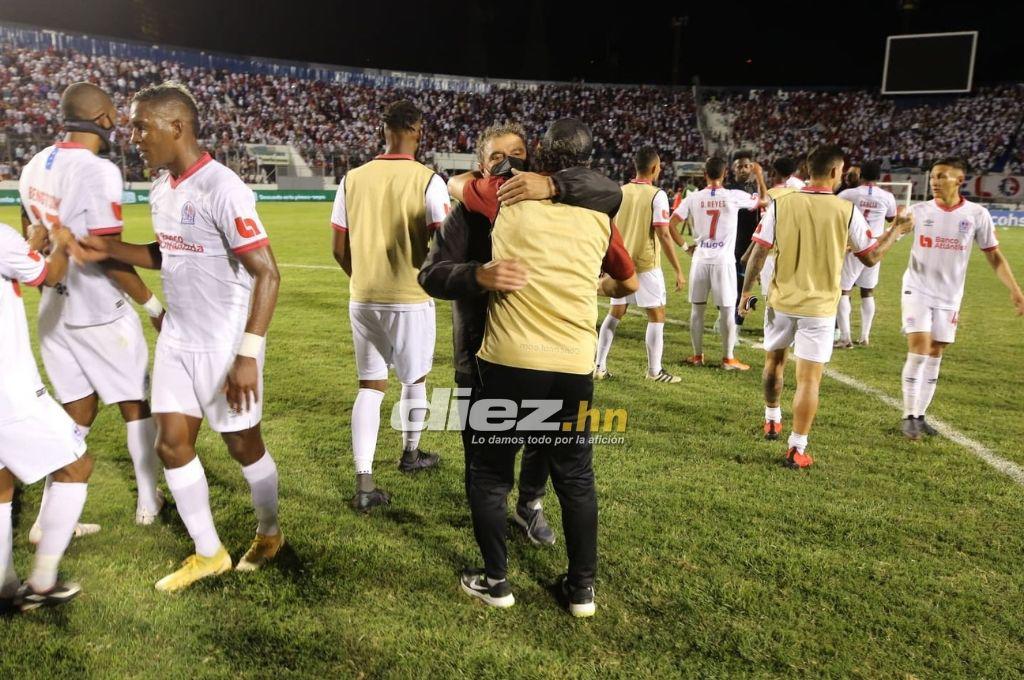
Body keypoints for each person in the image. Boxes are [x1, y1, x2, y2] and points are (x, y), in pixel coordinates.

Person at [72, 82, 283, 590]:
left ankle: (270, 531)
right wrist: (112, 251)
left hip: (224, 343)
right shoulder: (162, 187)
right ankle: (208, 552)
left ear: (176, 126)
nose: (134, 135)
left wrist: (248, 353)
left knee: (242, 445)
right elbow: (170, 251)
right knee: (171, 445)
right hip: (178, 339)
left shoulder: (223, 187)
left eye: (142, 125)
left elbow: (268, 273)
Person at [457, 119, 637, 617]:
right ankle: (581, 590)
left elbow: (456, 185)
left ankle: (497, 583)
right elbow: (629, 282)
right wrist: (593, 286)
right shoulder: (600, 217)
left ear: (539, 153)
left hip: (509, 359)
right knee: (575, 476)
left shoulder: (503, 196)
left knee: (491, 475)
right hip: (573, 364)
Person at [421, 121, 622, 546]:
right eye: (497, 156)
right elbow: (431, 275)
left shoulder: (570, 200)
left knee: (543, 445)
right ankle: (488, 535)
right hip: (477, 355)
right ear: (480, 164)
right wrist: (477, 275)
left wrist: (553, 187)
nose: (509, 162)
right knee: (483, 458)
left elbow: (610, 194)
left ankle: (529, 505)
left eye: (517, 152)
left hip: (539, 353)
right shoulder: (472, 208)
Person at [17, 82, 164, 538]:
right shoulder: (98, 171)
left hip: (52, 313)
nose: (119, 119)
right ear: (101, 117)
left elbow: (31, 238)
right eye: (115, 112)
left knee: (76, 411)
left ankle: (49, 519)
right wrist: (153, 304)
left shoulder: (34, 164)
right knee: (135, 405)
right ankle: (149, 501)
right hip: (98, 310)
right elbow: (107, 252)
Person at [740, 145, 912, 466]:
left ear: (808, 168)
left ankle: (772, 418)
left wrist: (744, 292)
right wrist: (897, 230)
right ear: (836, 172)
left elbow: (759, 251)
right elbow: (871, 256)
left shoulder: (781, 203)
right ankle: (797, 447)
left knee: (774, 361)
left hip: (781, 300)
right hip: (819, 308)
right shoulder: (845, 210)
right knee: (809, 379)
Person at [331, 100, 450, 512]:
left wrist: (362, 277)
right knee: (413, 380)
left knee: (370, 386)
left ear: (383, 129)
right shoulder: (429, 181)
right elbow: (444, 242)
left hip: (363, 297)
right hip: (410, 298)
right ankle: (411, 454)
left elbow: (337, 247)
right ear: (418, 130)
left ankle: (364, 481)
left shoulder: (351, 178)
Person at [0, 220, 94, 611]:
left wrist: (27, 245)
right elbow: (49, 275)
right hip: (11, 390)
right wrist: (59, 243)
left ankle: (4, 589)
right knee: (76, 466)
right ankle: (42, 581)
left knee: (2, 485)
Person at [897, 157, 1024, 440]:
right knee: (919, 347)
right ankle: (907, 416)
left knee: (935, 352)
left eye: (942, 176)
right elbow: (892, 234)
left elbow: (993, 255)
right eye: (932, 176)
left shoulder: (977, 214)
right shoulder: (918, 211)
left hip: (950, 294)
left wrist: (1015, 289)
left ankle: (919, 415)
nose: (934, 181)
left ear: (959, 180)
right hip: (917, 288)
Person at [594, 147, 684, 382]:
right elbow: (664, 234)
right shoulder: (658, 194)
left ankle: (598, 366)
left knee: (615, 313)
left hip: (620, 263)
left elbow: (608, 228)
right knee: (657, 315)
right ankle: (654, 371)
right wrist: (678, 269)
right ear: (655, 168)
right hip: (645, 264)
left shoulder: (620, 191)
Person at [671, 156, 762, 370]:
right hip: (723, 262)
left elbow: (670, 224)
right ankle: (728, 358)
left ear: (705, 175)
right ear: (724, 175)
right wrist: (759, 176)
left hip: (700, 260)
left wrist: (686, 247)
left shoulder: (693, 197)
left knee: (697, 309)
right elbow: (761, 201)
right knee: (727, 309)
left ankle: (697, 356)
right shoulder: (733, 195)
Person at [835, 161, 898, 348]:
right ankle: (864, 337)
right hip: (875, 246)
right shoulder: (887, 196)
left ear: (861, 174)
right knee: (867, 291)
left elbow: (835, 212)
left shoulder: (848, 194)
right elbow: (891, 218)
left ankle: (845, 338)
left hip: (853, 245)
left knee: (843, 290)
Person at [726, 151, 768, 323]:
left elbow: (765, 203)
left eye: (746, 166)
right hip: (738, 242)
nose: (743, 169)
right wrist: (760, 176)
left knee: (753, 283)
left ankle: (740, 312)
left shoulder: (754, 188)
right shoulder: (730, 189)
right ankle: (736, 323)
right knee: (738, 284)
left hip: (756, 242)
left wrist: (759, 180)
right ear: (733, 169)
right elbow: (763, 200)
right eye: (739, 166)